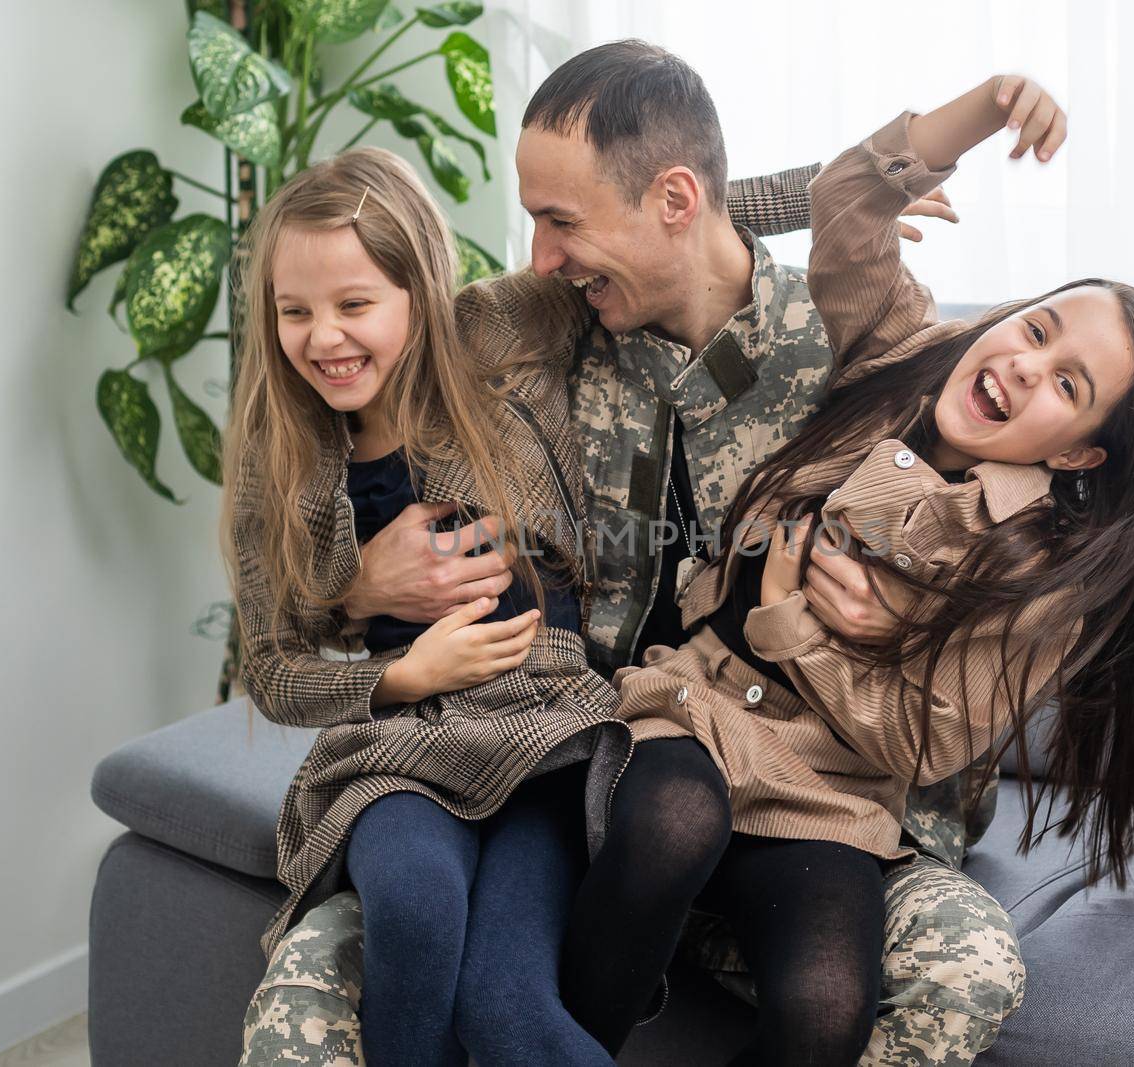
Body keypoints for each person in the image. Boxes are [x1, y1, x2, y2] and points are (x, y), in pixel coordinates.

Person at [252, 40, 1035, 1067]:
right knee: (310, 997)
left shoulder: (850, 339)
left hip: (806, 793)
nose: (536, 253)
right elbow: (352, 372)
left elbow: (1006, 501)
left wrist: (874, 180)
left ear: (674, 201)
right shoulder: (530, 323)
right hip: (586, 770)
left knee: (965, 964)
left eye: (561, 223)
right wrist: (361, 586)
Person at [578, 74, 1134, 1065]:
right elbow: (847, 204)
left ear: (1079, 451)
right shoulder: (893, 353)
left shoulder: (1041, 574)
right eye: (1035, 330)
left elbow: (916, 739)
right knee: (672, 820)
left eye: (1066, 385)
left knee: (827, 1002)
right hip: (689, 706)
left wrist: (803, 624)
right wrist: (985, 112)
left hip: (827, 790)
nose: (1027, 367)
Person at [224, 143, 821, 1064]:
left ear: (422, 291)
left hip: (547, 740)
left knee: (506, 1007)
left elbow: (669, 217)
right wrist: (395, 666)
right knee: (416, 917)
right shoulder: (283, 462)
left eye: (354, 306)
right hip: (402, 750)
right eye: (293, 311)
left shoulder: (496, 335)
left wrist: (861, 183)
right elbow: (268, 670)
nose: (324, 338)